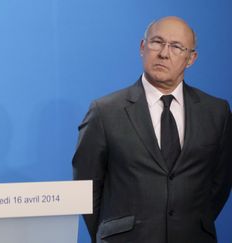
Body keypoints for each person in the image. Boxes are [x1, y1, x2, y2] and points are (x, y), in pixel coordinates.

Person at [72, 16, 232, 243]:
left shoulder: (217, 112)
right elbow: (86, 186)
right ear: (142, 47)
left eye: (176, 47)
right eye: (157, 42)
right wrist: (110, 233)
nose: (164, 53)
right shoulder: (105, 111)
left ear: (191, 58)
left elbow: (220, 182)